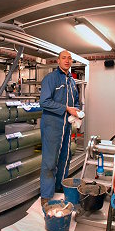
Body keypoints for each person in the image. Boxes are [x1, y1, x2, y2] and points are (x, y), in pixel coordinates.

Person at [39, 51, 81, 205]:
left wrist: (77, 111)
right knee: (50, 162)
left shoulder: (71, 81)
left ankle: (59, 188)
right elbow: (44, 102)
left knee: (65, 158)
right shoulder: (51, 79)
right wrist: (66, 109)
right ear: (58, 61)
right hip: (52, 126)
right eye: (64, 58)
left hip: (67, 126)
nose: (67, 60)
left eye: (70, 58)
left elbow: (75, 101)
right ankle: (46, 195)